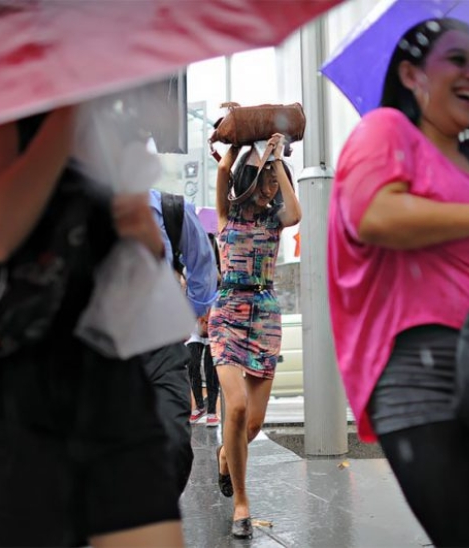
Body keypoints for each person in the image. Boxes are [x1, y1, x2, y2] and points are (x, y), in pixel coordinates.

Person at [326, 18, 469, 547]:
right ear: (411, 74)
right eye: (456, 60)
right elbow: (373, 215)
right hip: (418, 371)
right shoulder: (386, 130)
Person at [0, 109, 184, 547]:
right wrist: (69, 114)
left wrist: (138, 231)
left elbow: (147, 251)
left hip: (109, 377)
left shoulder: (107, 122)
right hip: (7, 387)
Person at [210, 133, 301, 539]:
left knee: (253, 425)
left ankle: (226, 454)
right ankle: (242, 504)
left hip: (264, 315)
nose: (270, 190)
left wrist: (277, 159)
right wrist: (238, 140)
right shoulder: (227, 215)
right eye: (264, 181)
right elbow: (224, 170)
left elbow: (295, 211)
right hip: (228, 311)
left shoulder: (275, 223)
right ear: (250, 179)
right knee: (237, 407)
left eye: (274, 183)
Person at [144, 188, 218, 493]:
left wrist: (188, 313)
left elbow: (202, 266)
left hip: (161, 345)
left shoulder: (170, 208)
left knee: (174, 444)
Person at [187, 233, 222, 427]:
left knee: (210, 368)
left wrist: (214, 273)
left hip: (214, 322)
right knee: (192, 363)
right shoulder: (191, 266)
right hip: (195, 323)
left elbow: (223, 288)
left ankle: (211, 412)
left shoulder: (219, 268)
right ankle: (199, 404)